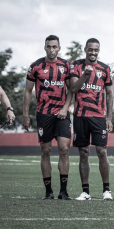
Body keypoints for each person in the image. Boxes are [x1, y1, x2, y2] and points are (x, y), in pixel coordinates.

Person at [23, 35, 73, 200]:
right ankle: (48, 191)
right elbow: (28, 91)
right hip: (43, 114)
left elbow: (71, 90)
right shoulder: (36, 66)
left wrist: (65, 108)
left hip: (62, 114)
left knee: (64, 149)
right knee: (46, 151)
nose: (52, 50)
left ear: (59, 48)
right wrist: (25, 115)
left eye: (54, 47)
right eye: (49, 46)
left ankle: (63, 191)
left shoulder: (66, 66)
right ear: (45, 47)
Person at [70, 38, 114, 201]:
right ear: (85, 49)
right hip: (80, 116)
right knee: (83, 153)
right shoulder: (76, 65)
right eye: (90, 49)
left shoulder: (105, 69)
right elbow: (74, 88)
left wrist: (109, 118)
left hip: (98, 117)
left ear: (99, 50)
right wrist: (85, 75)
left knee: (102, 152)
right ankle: (85, 191)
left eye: (96, 50)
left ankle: (106, 190)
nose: (93, 52)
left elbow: (109, 94)